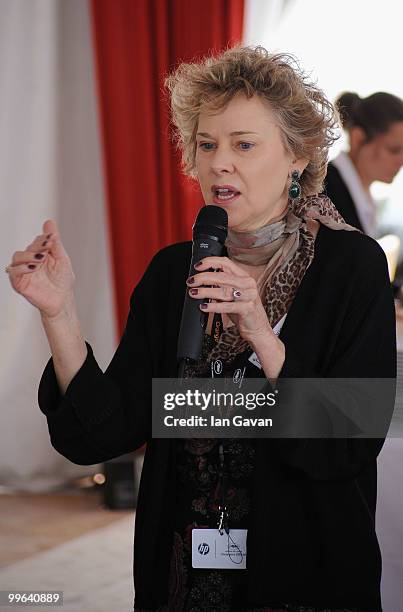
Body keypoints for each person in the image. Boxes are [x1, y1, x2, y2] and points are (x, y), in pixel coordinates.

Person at [6, 46, 396, 611]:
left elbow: (348, 444)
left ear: (297, 156)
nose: (218, 163)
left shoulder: (350, 268)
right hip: (186, 573)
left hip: (306, 569)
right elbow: (104, 433)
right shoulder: (174, 271)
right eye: (207, 144)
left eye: (243, 144)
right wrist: (58, 313)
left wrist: (262, 334)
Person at [324, 91, 403, 237]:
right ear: (358, 139)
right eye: (393, 150)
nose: (401, 160)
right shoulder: (325, 194)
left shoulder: (359, 196)